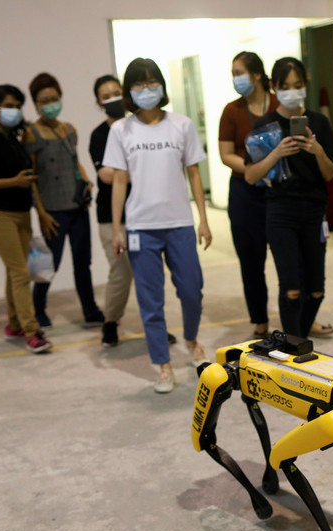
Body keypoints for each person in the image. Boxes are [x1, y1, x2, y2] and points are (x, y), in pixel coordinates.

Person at [104, 58, 211, 393]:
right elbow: (119, 180)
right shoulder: (120, 130)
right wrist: (118, 228)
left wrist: (203, 220)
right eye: (138, 84)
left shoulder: (181, 125)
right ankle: (163, 366)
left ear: (162, 86)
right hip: (140, 228)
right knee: (151, 302)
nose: (146, 90)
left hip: (179, 222)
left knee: (191, 291)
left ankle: (192, 340)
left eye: (152, 83)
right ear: (128, 91)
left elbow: (194, 173)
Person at [244, 57, 333, 339]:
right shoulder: (265, 125)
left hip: (313, 210)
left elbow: (330, 173)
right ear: (273, 87)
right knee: (291, 288)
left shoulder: (318, 122)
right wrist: (277, 152)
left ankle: (297, 337)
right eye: (285, 86)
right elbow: (250, 176)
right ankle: (294, 344)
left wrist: (316, 149)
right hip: (280, 210)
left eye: (297, 85)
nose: (292, 91)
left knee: (316, 289)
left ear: (305, 85)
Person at [0, 84, 56, 353]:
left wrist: (39, 210)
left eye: (18, 105)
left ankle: (14, 324)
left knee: (15, 271)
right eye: (9, 105)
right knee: (20, 272)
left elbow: (27, 179)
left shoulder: (13, 139)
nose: (14, 110)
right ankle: (32, 331)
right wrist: (13, 181)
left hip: (21, 213)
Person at [24, 72, 105, 330]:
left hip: (77, 207)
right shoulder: (31, 133)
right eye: (44, 100)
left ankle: (90, 310)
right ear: (35, 103)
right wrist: (41, 213)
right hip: (53, 211)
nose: (50, 103)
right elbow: (32, 177)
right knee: (50, 264)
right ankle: (38, 309)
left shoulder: (69, 129)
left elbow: (75, 162)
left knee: (83, 263)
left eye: (54, 98)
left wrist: (86, 180)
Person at [218, 52, 277, 339]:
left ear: (256, 75)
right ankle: (260, 320)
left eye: (239, 72)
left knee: (289, 258)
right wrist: (256, 170)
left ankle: (304, 317)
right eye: (233, 73)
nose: (235, 78)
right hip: (245, 192)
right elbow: (225, 154)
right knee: (251, 262)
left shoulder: (280, 103)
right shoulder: (232, 111)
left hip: (279, 192)